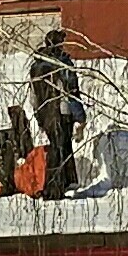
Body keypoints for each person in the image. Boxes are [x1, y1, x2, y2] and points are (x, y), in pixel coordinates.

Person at [29, 30, 86, 200]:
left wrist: (39, 116)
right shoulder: (63, 63)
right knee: (60, 148)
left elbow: (33, 96)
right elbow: (71, 92)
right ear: (59, 44)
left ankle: (68, 182)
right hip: (61, 111)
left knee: (59, 146)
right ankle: (54, 189)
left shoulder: (36, 66)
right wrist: (80, 116)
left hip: (44, 113)